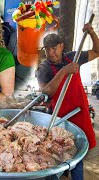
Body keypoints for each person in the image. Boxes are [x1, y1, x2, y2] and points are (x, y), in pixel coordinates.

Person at [36, 25, 99, 179]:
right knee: (58, 153)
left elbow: (97, 51)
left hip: (79, 112)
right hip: (59, 118)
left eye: (54, 48)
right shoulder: (43, 68)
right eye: (47, 49)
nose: (51, 52)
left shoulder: (74, 57)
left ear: (61, 46)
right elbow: (46, 91)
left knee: (78, 152)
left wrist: (91, 33)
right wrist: (64, 71)